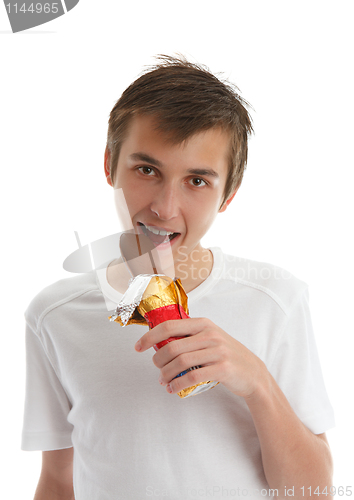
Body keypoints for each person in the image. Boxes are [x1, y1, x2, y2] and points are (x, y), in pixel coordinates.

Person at [22, 55, 334, 499]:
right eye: (147, 170)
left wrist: (257, 382)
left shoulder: (275, 300)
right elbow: (57, 482)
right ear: (110, 165)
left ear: (228, 194)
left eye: (197, 181)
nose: (165, 208)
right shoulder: (53, 315)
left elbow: (313, 492)